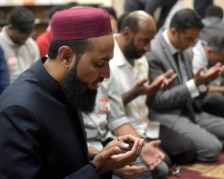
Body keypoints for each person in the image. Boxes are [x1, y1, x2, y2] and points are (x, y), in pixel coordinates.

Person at [0, 7, 144, 179]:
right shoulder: (20, 110)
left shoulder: (66, 87)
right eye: (99, 64)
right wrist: (97, 168)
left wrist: (104, 159)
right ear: (66, 57)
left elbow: (64, 162)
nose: (107, 74)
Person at [145, 8, 224, 162]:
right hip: (169, 113)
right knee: (212, 149)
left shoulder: (187, 50)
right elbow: (159, 101)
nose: (193, 44)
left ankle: (200, 139)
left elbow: (194, 90)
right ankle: (194, 143)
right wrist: (196, 83)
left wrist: (204, 82)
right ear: (173, 32)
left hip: (192, 109)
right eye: (189, 39)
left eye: (195, 39)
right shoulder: (154, 52)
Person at [108, 10, 196, 166]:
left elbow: (145, 102)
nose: (148, 48)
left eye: (151, 41)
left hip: (145, 124)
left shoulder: (140, 57)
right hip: (123, 130)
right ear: (127, 33)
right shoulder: (108, 60)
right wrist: (135, 93)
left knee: (187, 149)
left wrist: (152, 90)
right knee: (163, 163)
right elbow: (107, 110)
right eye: (145, 41)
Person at [84, 71, 170, 179]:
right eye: (99, 63)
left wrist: (141, 147)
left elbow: (117, 119)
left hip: (108, 141)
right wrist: (105, 163)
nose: (107, 71)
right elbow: (71, 142)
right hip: (85, 154)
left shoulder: (107, 76)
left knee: (160, 169)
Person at [0, 7, 40, 83]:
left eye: (30, 33)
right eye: (24, 33)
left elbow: (37, 73)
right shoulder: (1, 44)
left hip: (30, 88)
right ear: (11, 28)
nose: (27, 37)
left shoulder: (31, 44)